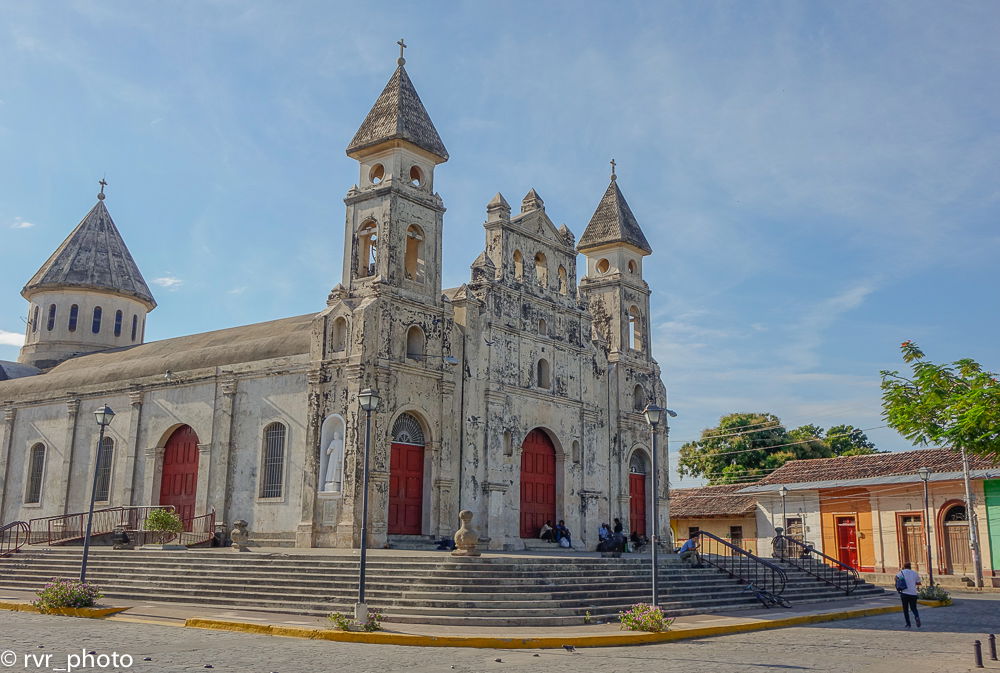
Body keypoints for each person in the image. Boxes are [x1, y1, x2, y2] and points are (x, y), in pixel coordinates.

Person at [896, 562, 922, 628]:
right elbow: (919, 582)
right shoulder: (914, 573)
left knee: (905, 609)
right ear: (910, 566)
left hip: (904, 593)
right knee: (914, 608)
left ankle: (908, 624)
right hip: (913, 593)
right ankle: (916, 617)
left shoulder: (901, 572)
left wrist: (900, 582)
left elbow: (896, 578)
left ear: (904, 566)